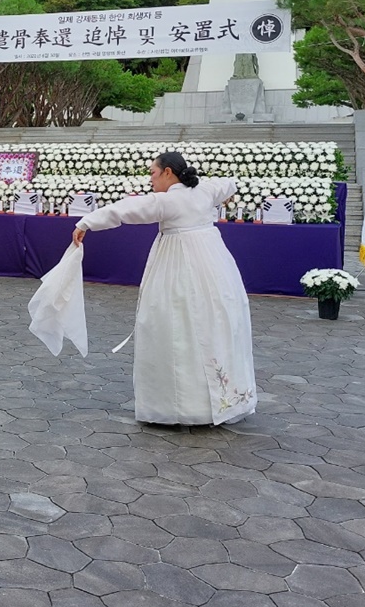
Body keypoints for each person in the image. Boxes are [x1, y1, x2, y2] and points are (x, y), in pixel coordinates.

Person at [72, 151, 257, 426]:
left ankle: (183, 406)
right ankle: (218, 400)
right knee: (215, 320)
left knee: (175, 323)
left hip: (180, 266)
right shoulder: (204, 190)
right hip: (215, 265)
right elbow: (229, 183)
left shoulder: (168, 200)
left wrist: (86, 222)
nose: (150, 180)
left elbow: (124, 210)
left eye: (153, 173)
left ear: (168, 172)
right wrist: (227, 194)